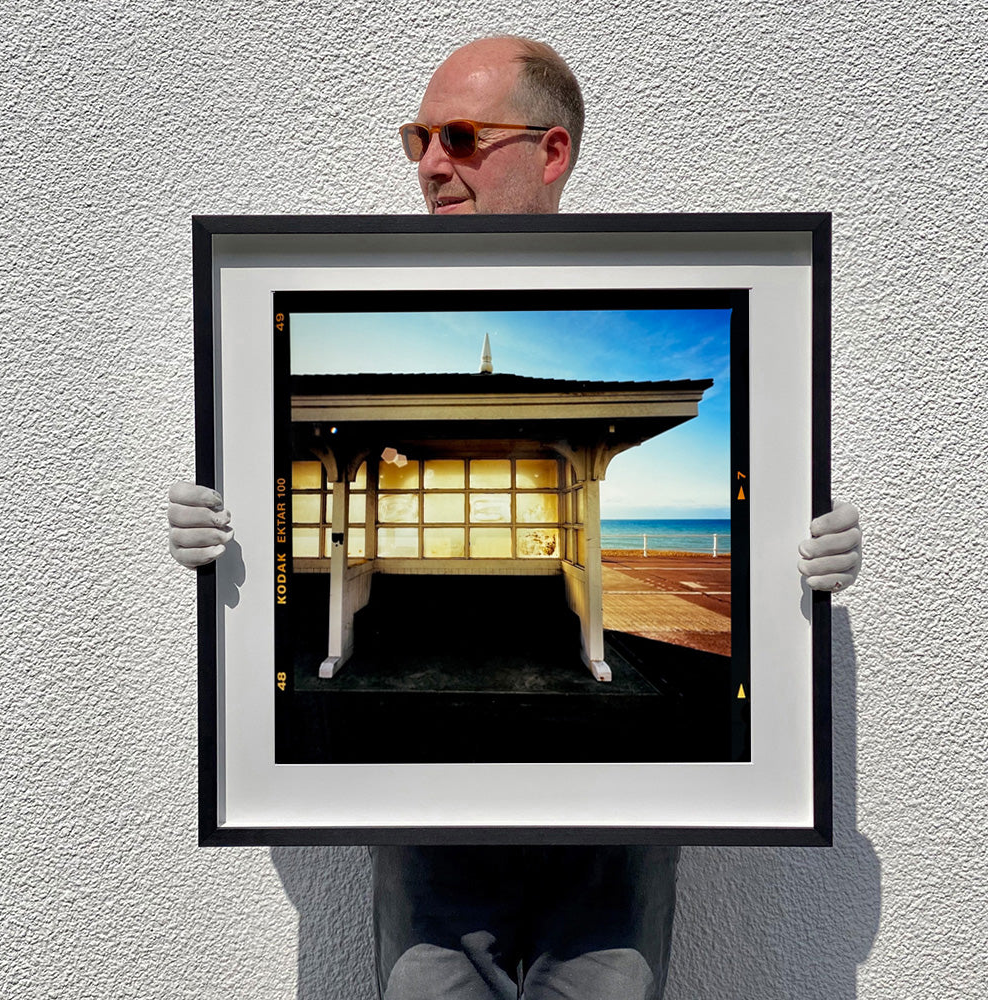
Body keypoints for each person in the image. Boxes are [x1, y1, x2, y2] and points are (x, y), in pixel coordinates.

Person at [168, 36, 862, 1000]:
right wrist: (228, 536)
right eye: (415, 137)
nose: (429, 164)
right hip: (422, 810)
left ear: (553, 150)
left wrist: (797, 546)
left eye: (458, 135)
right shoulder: (305, 295)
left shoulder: (680, 281)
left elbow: (768, 481)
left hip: (620, 822)